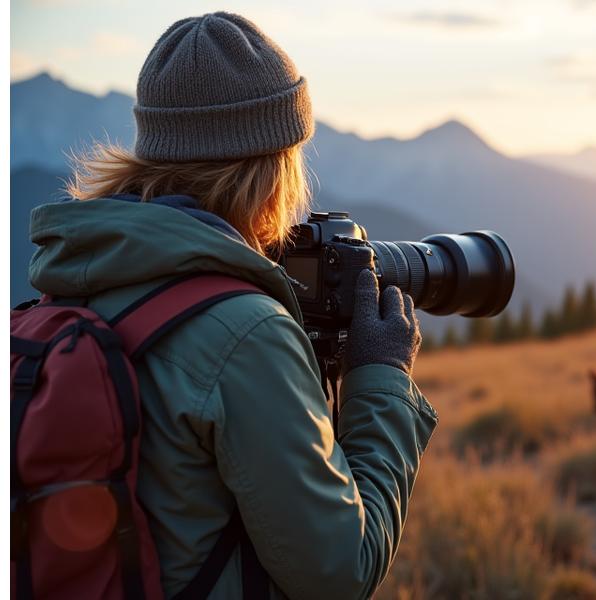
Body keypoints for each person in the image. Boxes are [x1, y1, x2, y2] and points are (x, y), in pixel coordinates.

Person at [28, 12, 437, 599]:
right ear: (274, 167)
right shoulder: (245, 335)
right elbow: (338, 571)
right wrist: (380, 378)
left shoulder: (75, 279)